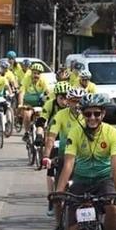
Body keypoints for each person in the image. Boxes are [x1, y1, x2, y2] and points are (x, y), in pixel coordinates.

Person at [57, 93, 116, 230]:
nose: (92, 118)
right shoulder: (75, 132)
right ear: (83, 115)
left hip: (104, 180)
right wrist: (59, 191)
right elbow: (68, 165)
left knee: (112, 208)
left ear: (103, 113)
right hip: (81, 181)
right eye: (88, 114)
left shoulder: (112, 133)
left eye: (96, 113)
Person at [44, 86, 86, 230]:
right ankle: (58, 225)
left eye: (79, 101)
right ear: (68, 101)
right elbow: (51, 137)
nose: (77, 104)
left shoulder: (88, 116)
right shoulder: (61, 115)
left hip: (84, 159)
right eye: (74, 101)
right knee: (58, 196)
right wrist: (46, 156)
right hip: (64, 157)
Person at [40, 81, 72, 216]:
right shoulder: (50, 105)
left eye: (66, 98)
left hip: (71, 138)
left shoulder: (74, 108)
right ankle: (51, 197)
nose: (64, 101)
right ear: (56, 97)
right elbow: (41, 121)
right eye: (61, 98)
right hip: (53, 136)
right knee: (51, 170)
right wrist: (39, 135)